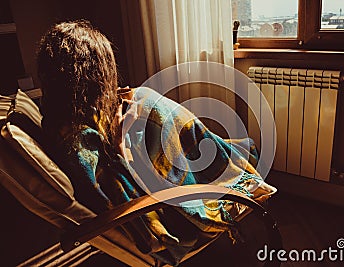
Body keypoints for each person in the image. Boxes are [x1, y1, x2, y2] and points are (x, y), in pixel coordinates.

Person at [37, 20, 277, 266]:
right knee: (152, 109)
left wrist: (119, 108)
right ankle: (225, 161)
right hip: (159, 208)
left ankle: (220, 154)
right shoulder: (76, 141)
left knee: (145, 101)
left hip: (145, 167)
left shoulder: (62, 115)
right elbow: (110, 191)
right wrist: (120, 143)